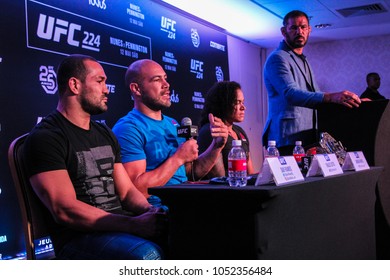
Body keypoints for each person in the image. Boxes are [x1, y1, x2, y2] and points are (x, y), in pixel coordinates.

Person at [23, 54, 167, 260]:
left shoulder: (105, 133)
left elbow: (126, 192)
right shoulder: (46, 137)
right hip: (79, 238)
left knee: (184, 233)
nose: (107, 89)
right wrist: (133, 224)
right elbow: (65, 209)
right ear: (74, 85)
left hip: (120, 227)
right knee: (147, 256)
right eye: (100, 81)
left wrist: (151, 211)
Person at [112, 59, 228, 204]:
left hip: (186, 202)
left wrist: (216, 147)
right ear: (136, 89)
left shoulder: (172, 123)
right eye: (157, 79)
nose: (166, 85)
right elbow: (134, 190)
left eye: (165, 78)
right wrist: (178, 158)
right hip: (159, 211)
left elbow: (191, 173)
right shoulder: (128, 128)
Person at [262, 10, 361, 156]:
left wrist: (350, 101)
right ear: (284, 31)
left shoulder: (303, 59)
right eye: (294, 28)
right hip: (286, 139)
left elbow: (316, 95)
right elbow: (290, 94)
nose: (299, 31)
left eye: (303, 27)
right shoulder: (277, 58)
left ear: (309, 30)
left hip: (307, 138)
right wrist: (331, 97)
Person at [197, 81, 255, 177]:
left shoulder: (240, 132)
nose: (243, 107)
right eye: (237, 102)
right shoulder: (211, 131)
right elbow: (217, 178)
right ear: (223, 103)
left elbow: (250, 174)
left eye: (243, 102)